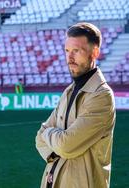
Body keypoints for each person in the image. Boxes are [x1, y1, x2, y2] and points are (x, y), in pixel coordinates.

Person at [35, 22, 116, 188]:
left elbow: (66, 145)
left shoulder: (101, 96)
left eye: (76, 51)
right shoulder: (69, 91)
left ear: (95, 52)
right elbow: (39, 138)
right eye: (67, 51)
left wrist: (49, 134)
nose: (70, 58)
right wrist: (54, 143)